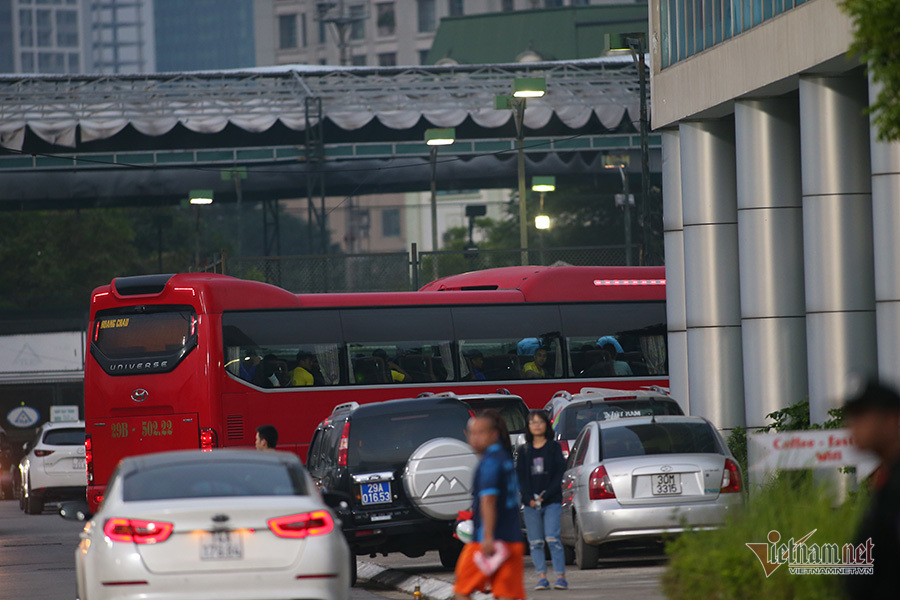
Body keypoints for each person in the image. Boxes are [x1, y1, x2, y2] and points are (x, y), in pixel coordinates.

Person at [454, 410, 525, 600]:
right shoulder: (505, 459)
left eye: (480, 433)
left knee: (462, 590)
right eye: (472, 433)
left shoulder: (489, 463)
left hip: (486, 541)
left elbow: (488, 500)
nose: (474, 438)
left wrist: (487, 537)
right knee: (507, 595)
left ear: (494, 435)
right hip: (512, 540)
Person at [843, 379, 900, 600]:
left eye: (862, 416)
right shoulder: (885, 479)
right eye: (850, 416)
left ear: (892, 419)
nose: (852, 425)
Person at [516, 410, 567, 591]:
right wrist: (528, 498)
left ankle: (560, 577)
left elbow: (559, 474)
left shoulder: (554, 448)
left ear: (547, 424)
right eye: (532, 422)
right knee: (535, 542)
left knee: (552, 538)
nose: (536, 425)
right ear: (528, 427)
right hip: (530, 504)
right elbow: (521, 477)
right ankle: (542, 577)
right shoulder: (524, 451)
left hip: (551, 501)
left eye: (540, 422)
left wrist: (545, 495)